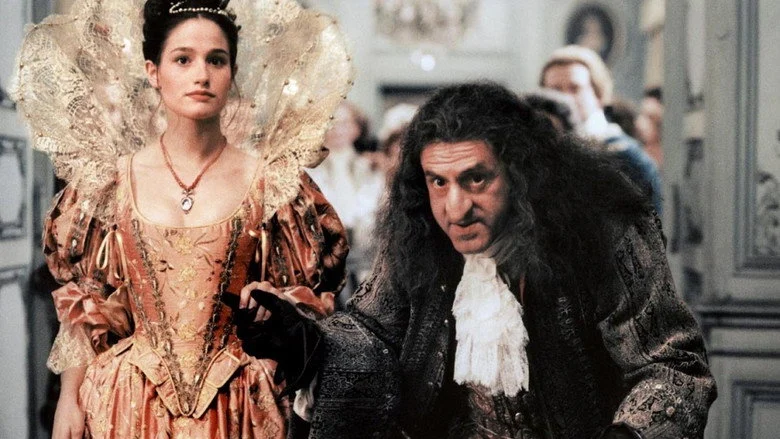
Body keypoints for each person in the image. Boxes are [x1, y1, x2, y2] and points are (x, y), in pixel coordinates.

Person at [14, 0, 353, 437]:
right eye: (182, 59)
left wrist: (276, 304)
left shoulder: (274, 184)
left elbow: (311, 302)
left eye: (217, 60)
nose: (201, 75)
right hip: (129, 402)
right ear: (153, 72)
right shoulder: (111, 182)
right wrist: (68, 399)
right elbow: (87, 303)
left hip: (237, 404)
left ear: (232, 73)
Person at [308, 83, 716, 438]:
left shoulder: (604, 234)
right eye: (439, 181)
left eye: (476, 178)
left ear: (522, 174)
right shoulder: (420, 238)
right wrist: (306, 343)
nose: (456, 208)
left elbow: (672, 365)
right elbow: (372, 332)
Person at [540, 45, 663, 214]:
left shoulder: (625, 157)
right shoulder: (542, 152)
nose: (565, 98)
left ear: (599, 95)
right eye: (555, 90)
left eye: (575, 88)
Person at [307, 101, 385, 306]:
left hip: (365, 259)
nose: (336, 129)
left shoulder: (371, 167)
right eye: (331, 122)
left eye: (344, 123)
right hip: (324, 262)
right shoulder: (309, 170)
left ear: (357, 128)